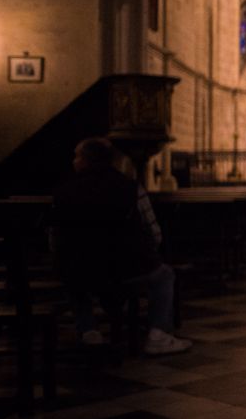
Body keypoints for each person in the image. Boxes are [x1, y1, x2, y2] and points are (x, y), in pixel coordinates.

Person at [51, 137, 191, 355]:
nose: (73, 161)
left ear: (86, 160)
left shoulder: (63, 192)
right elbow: (153, 231)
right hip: (128, 267)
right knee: (164, 275)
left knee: (71, 273)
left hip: (83, 269)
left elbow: (56, 236)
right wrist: (146, 255)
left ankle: (88, 331)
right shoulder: (130, 188)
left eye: (76, 156)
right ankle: (158, 335)